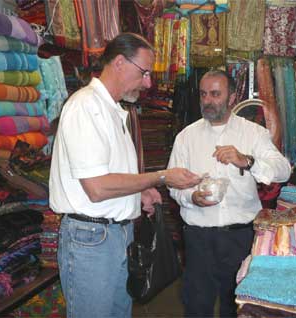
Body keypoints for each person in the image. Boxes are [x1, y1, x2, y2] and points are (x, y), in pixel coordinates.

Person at [49, 33, 201, 318]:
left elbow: (109, 175)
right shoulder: (86, 107)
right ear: (119, 62)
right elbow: (97, 188)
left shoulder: (113, 111)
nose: (148, 83)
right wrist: (161, 177)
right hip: (92, 238)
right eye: (144, 73)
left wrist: (138, 192)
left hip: (115, 234)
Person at [167, 70, 291, 317]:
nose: (208, 101)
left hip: (240, 237)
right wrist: (191, 197)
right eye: (203, 94)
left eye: (215, 94)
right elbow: (173, 183)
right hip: (198, 238)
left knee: (237, 306)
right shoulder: (186, 137)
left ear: (232, 97)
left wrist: (246, 160)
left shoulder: (253, 133)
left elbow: (284, 171)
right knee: (196, 305)